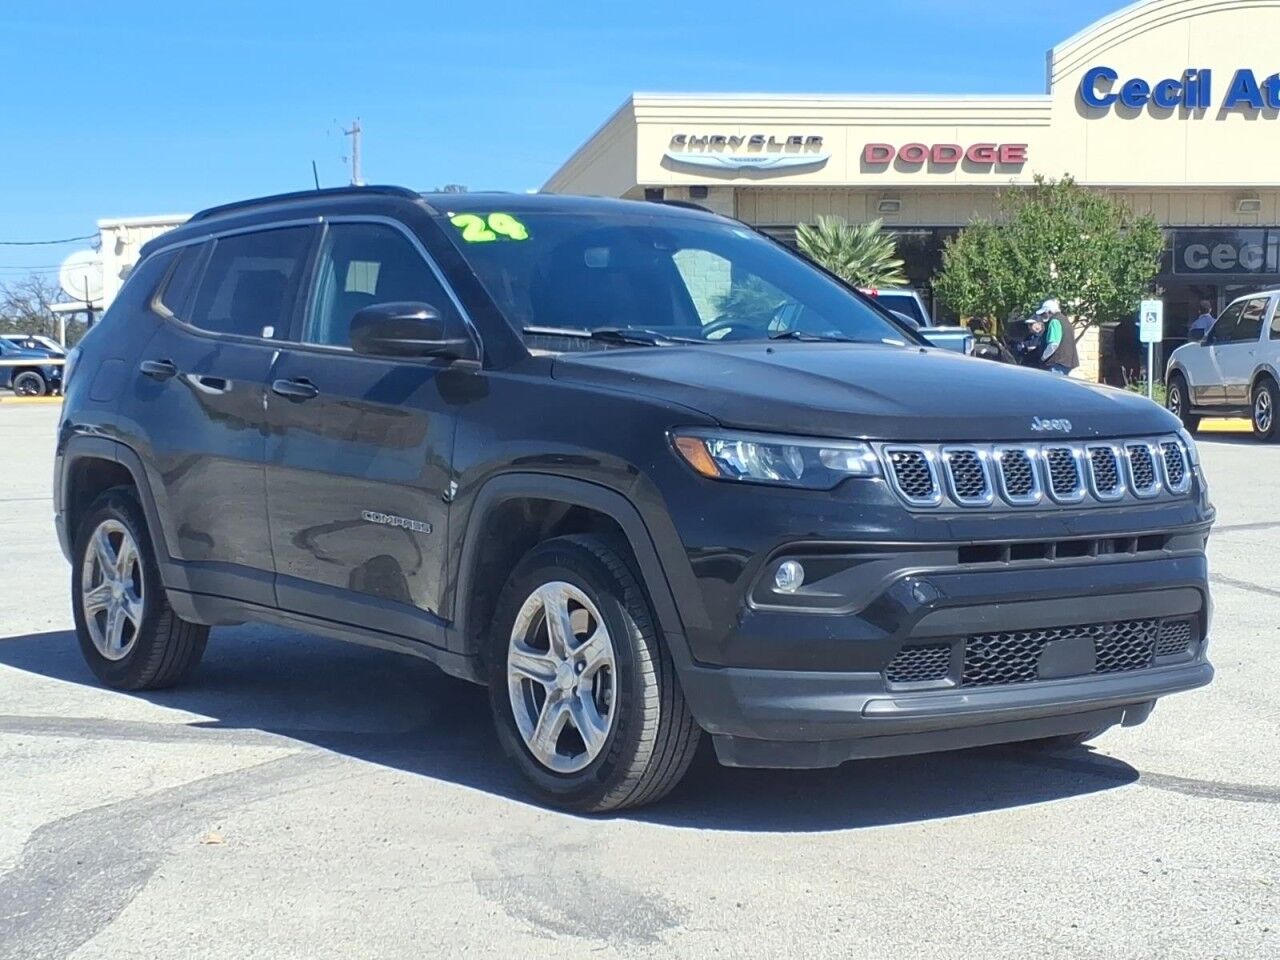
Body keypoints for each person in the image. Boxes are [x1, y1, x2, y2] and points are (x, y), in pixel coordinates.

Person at [1028, 299, 1078, 375]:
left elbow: (1053, 344)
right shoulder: (1065, 320)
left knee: (1052, 385)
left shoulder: (1054, 321)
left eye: (1044, 313)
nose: (1043, 315)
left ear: (1049, 311)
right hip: (1066, 362)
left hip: (1056, 363)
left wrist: (1043, 357)